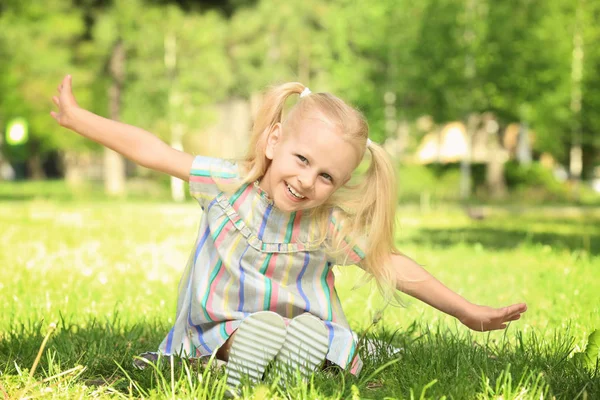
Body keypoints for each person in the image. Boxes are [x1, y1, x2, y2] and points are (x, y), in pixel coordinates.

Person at [51, 75, 527, 387]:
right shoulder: (228, 183)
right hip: (223, 327)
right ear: (276, 140)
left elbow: (392, 265)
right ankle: (250, 360)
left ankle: (295, 361)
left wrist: (466, 311)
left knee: (318, 336)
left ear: (341, 184)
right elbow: (152, 151)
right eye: (302, 160)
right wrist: (80, 120)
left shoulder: (328, 223)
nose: (306, 182)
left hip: (304, 329)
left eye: (327, 177)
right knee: (241, 333)